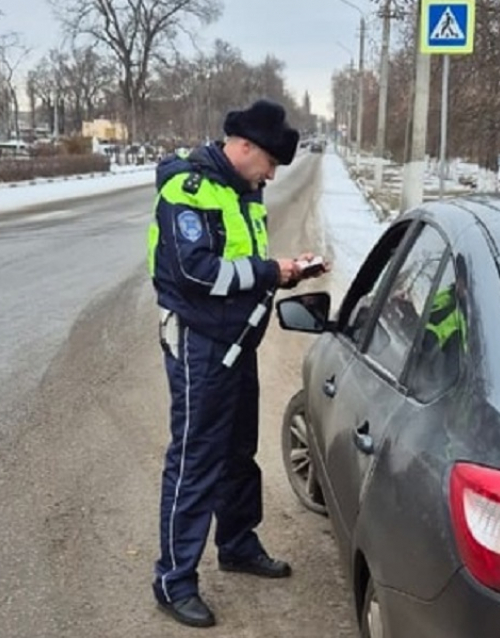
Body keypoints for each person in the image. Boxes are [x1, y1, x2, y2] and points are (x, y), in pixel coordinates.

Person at [146, 99, 328, 628]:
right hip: (199, 343)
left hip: (237, 341)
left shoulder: (245, 191)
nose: (272, 173)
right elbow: (196, 273)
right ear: (244, 146)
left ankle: (237, 543)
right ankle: (173, 580)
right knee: (195, 460)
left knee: (236, 452)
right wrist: (270, 270)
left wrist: (282, 275)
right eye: (270, 162)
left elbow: (241, 264)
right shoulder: (189, 189)